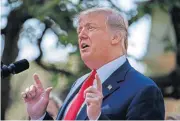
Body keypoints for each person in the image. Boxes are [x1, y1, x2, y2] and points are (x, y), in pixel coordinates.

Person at [21, 8, 165, 120]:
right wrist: (39, 116)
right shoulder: (79, 84)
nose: (81, 34)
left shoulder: (144, 90)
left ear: (116, 37)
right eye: (79, 30)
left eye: (90, 28)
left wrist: (97, 118)